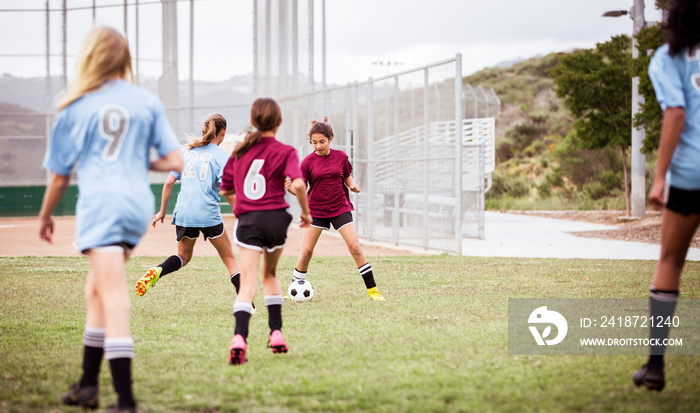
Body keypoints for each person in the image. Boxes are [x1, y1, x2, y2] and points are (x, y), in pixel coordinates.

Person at [38, 26, 183, 413]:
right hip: (136, 206)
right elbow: (174, 161)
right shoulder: (146, 101)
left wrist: (46, 215)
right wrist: (137, 158)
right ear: (125, 60)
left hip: (102, 207)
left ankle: (126, 401)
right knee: (97, 290)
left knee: (114, 297)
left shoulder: (77, 105)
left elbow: (60, 174)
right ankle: (87, 384)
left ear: (91, 58)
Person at [633, 0, 700, 392]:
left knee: (671, 261)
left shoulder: (668, 58)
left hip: (690, 177)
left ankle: (655, 366)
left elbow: (675, 112)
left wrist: (659, 178)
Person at [219, 97, 311, 365]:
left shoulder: (239, 150)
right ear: (280, 122)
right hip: (276, 220)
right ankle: (277, 333)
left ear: (253, 120)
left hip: (249, 221)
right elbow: (300, 185)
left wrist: (240, 209)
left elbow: (226, 189)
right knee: (270, 275)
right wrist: (305, 213)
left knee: (247, 284)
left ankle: (239, 339)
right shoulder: (285, 150)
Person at [134, 113, 243, 299]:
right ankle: (247, 303)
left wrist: (162, 211)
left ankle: (158, 271)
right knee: (229, 259)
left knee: (183, 256)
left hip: (184, 213)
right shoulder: (223, 157)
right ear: (223, 133)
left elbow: (168, 183)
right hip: (208, 214)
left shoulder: (186, 152)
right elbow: (229, 192)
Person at [285, 117, 385, 301]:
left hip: (340, 208)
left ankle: (373, 291)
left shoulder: (341, 157)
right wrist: (292, 190)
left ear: (330, 139)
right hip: (316, 210)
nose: (318, 146)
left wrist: (353, 185)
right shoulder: (307, 162)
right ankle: (293, 288)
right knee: (306, 252)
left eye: (322, 142)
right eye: (314, 142)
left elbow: (347, 176)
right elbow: (302, 189)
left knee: (355, 248)